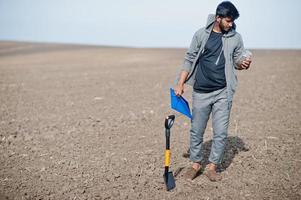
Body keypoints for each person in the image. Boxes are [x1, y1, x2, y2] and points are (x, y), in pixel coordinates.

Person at [175, 1, 252, 181]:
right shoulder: (201, 34)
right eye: (228, 20)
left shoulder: (236, 37)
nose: (231, 24)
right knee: (196, 130)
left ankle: (212, 166)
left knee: (220, 132)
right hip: (201, 92)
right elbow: (189, 58)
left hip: (223, 92)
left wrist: (243, 64)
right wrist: (180, 84)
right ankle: (195, 163)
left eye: (232, 21)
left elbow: (237, 61)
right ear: (218, 18)